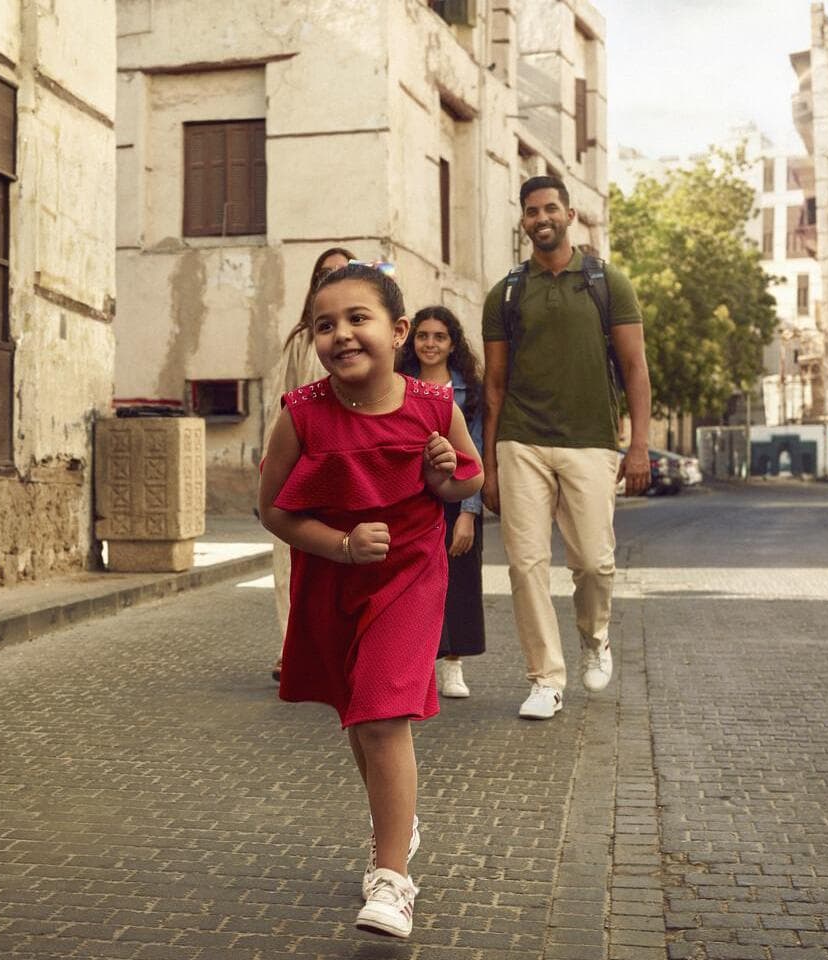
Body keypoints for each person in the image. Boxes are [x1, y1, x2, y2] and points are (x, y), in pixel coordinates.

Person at [259, 261, 483, 939]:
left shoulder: (434, 405)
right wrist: (339, 545)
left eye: (358, 318)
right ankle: (399, 820)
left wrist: (443, 480)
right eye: (325, 325)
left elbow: (468, 477)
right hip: (333, 580)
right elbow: (272, 510)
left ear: (399, 331)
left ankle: (391, 879)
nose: (342, 335)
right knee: (360, 717)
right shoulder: (301, 414)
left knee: (383, 715)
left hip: (409, 575)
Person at [481, 175, 652, 721]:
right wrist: (489, 467)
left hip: (591, 441)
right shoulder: (506, 293)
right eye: (532, 211)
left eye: (550, 209)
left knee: (595, 564)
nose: (542, 219)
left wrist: (639, 445)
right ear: (523, 221)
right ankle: (545, 679)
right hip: (521, 440)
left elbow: (635, 368)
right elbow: (494, 386)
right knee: (525, 565)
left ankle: (595, 638)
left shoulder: (607, 282)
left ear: (569, 215)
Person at [269, 247, 355, 682]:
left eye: (343, 271)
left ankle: (343, 649)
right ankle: (292, 651)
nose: (333, 277)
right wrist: (272, 466)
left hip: (351, 463)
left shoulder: (368, 337)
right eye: (326, 272)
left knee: (342, 556)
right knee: (290, 560)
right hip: (301, 463)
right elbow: (280, 406)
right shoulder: (301, 340)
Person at [398, 306, 486, 699]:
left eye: (439, 337)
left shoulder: (470, 391)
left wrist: (469, 513)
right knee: (412, 585)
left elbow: (476, 452)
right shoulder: (398, 384)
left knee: (459, 580)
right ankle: (417, 668)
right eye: (423, 335)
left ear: (453, 344)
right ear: (411, 340)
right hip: (412, 496)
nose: (430, 344)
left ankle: (453, 665)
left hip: (459, 495)